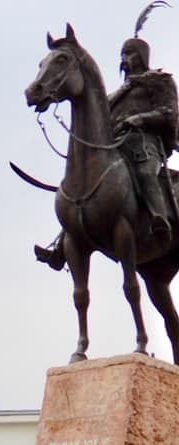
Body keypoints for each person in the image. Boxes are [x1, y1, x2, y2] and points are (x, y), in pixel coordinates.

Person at [35, 33, 178, 270]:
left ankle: (159, 219)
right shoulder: (117, 94)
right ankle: (60, 246)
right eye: (122, 54)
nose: (125, 59)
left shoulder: (159, 81)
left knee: (145, 172)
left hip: (145, 143)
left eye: (130, 53)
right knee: (82, 189)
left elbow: (169, 113)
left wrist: (139, 119)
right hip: (115, 145)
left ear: (142, 56)